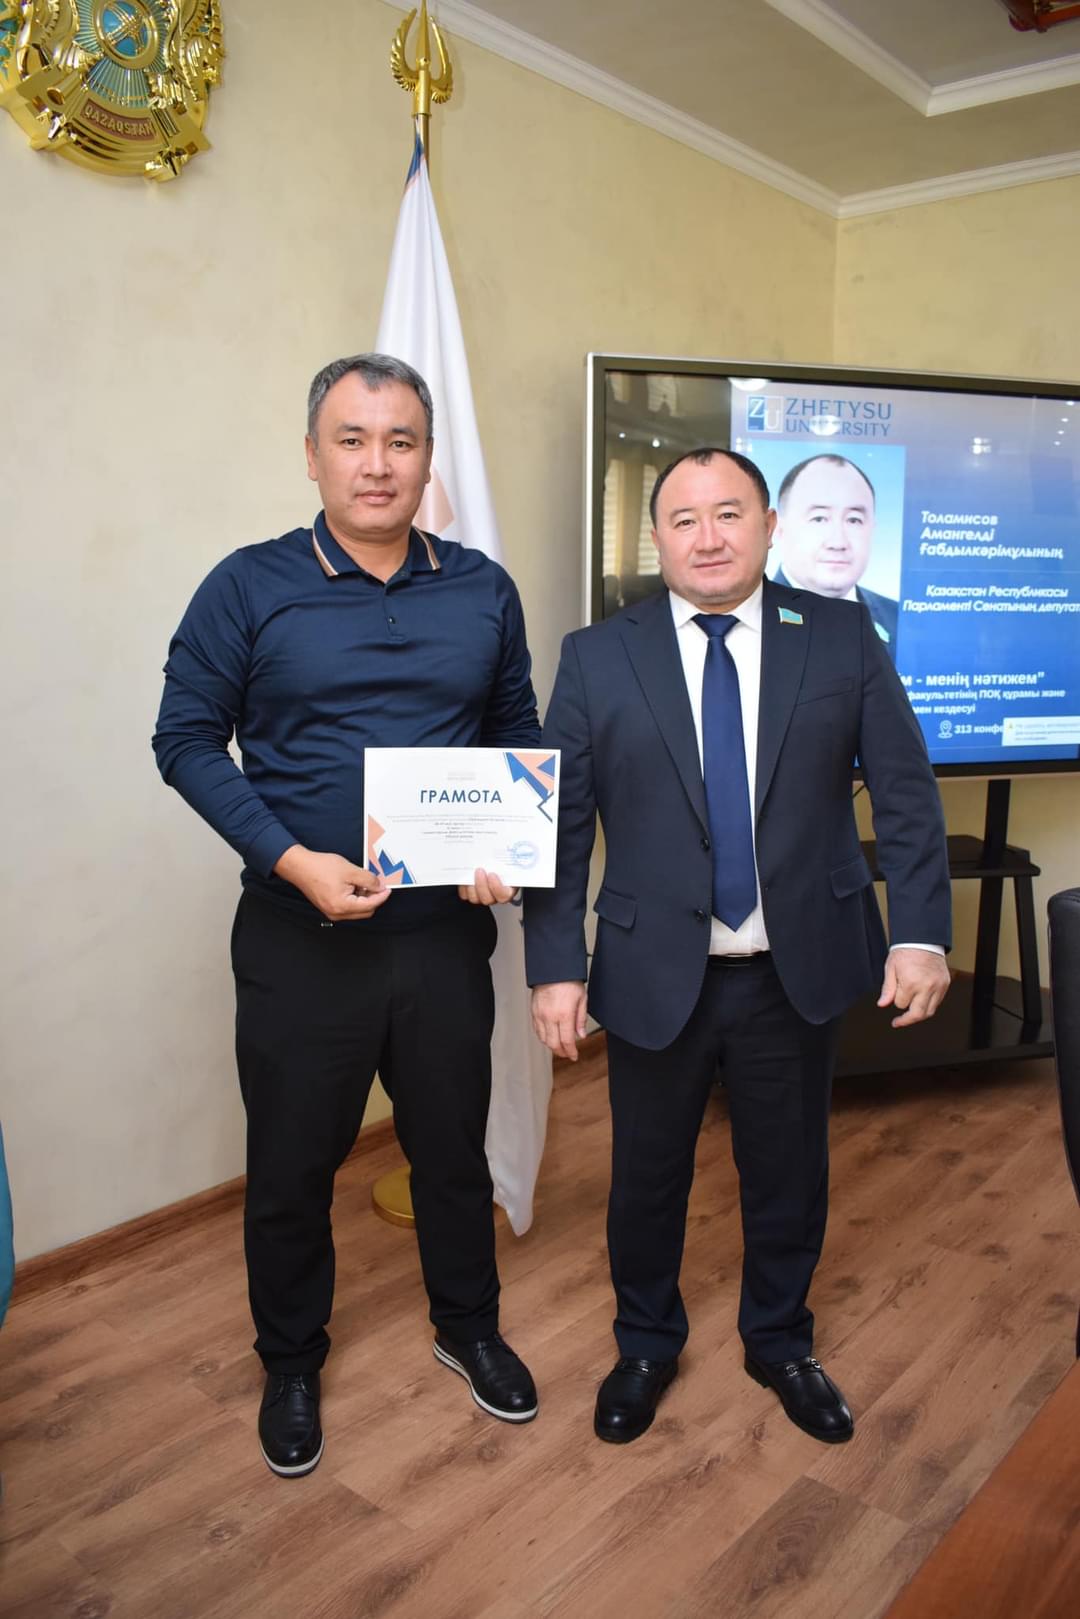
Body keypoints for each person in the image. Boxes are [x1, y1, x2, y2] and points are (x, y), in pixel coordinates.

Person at [153, 353, 542, 1479]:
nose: (378, 464)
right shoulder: (247, 584)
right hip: (301, 939)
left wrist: (507, 848)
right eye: (353, 439)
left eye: (401, 441)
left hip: (442, 939)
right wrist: (290, 859)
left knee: (451, 1154)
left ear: (427, 458)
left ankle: (469, 1325)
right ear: (313, 455)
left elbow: (514, 736)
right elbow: (184, 739)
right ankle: (290, 1359)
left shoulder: (483, 588)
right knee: (289, 1170)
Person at [525, 447, 950, 1446]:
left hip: (794, 967)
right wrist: (555, 964)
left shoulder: (840, 636)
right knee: (646, 1176)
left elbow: (905, 790)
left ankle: (780, 1339)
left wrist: (922, 932)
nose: (708, 537)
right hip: (651, 968)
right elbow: (562, 824)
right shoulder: (597, 655)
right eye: (684, 519)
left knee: (788, 1171)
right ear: (656, 538)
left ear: (767, 528)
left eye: (729, 514)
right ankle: (643, 1344)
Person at [773, 454, 898, 654]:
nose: (838, 543)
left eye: (854, 520)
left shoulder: (899, 619)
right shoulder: (749, 617)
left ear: (872, 529)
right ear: (779, 528)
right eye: (819, 519)